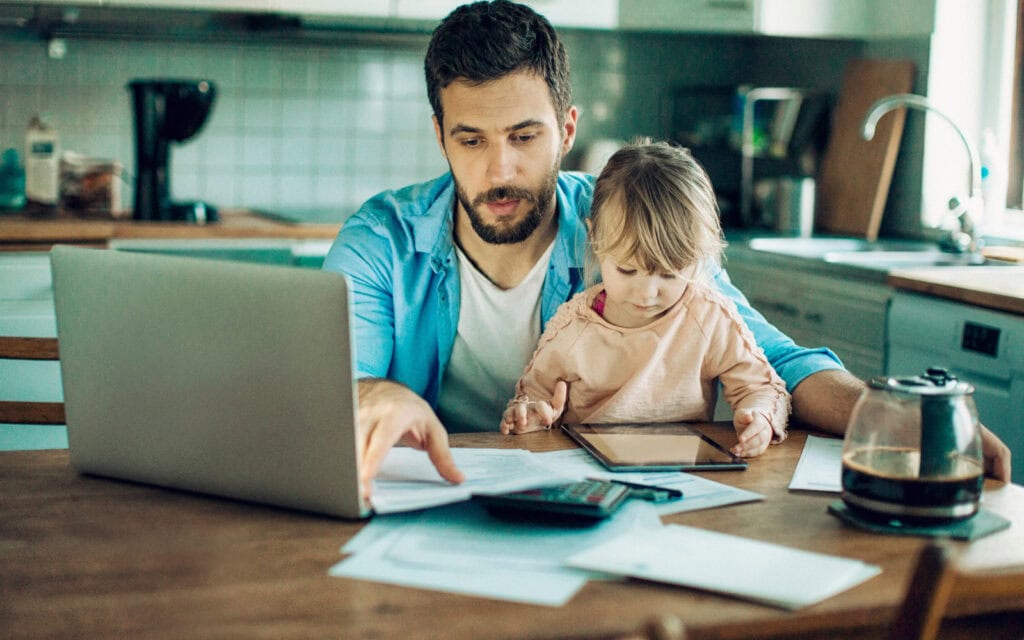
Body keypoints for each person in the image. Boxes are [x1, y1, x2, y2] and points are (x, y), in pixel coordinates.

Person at [321, 0, 1011, 493]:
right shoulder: (382, 238)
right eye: (471, 140)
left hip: (609, 509)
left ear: (566, 129)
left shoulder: (630, 217)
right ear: (440, 134)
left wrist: (896, 419)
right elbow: (339, 383)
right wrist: (375, 395)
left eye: (524, 137)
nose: (499, 170)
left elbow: (778, 360)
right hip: (437, 501)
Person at [501, 140, 789, 459]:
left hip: (681, 470)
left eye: (669, 274)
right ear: (595, 239)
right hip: (586, 468)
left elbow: (761, 387)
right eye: (627, 270)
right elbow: (532, 397)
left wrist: (758, 416)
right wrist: (530, 416)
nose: (647, 293)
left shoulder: (708, 317)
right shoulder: (573, 327)